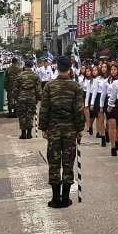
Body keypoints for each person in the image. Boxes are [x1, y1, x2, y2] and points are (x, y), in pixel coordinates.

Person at [38, 56, 85, 209]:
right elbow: (79, 111)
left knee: (53, 162)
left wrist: (43, 128)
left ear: (57, 67)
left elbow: (44, 109)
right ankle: (65, 198)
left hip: (53, 129)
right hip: (70, 129)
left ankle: (55, 198)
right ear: (70, 68)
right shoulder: (76, 87)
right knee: (68, 162)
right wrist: (80, 129)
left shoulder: (49, 86)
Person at [12, 60, 42, 139]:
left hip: (21, 98)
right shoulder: (35, 76)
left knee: (22, 115)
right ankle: (29, 133)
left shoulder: (20, 75)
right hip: (32, 98)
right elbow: (38, 89)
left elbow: (15, 88)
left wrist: (15, 98)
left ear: (25, 66)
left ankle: (23, 133)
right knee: (30, 115)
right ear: (32, 66)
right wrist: (39, 98)